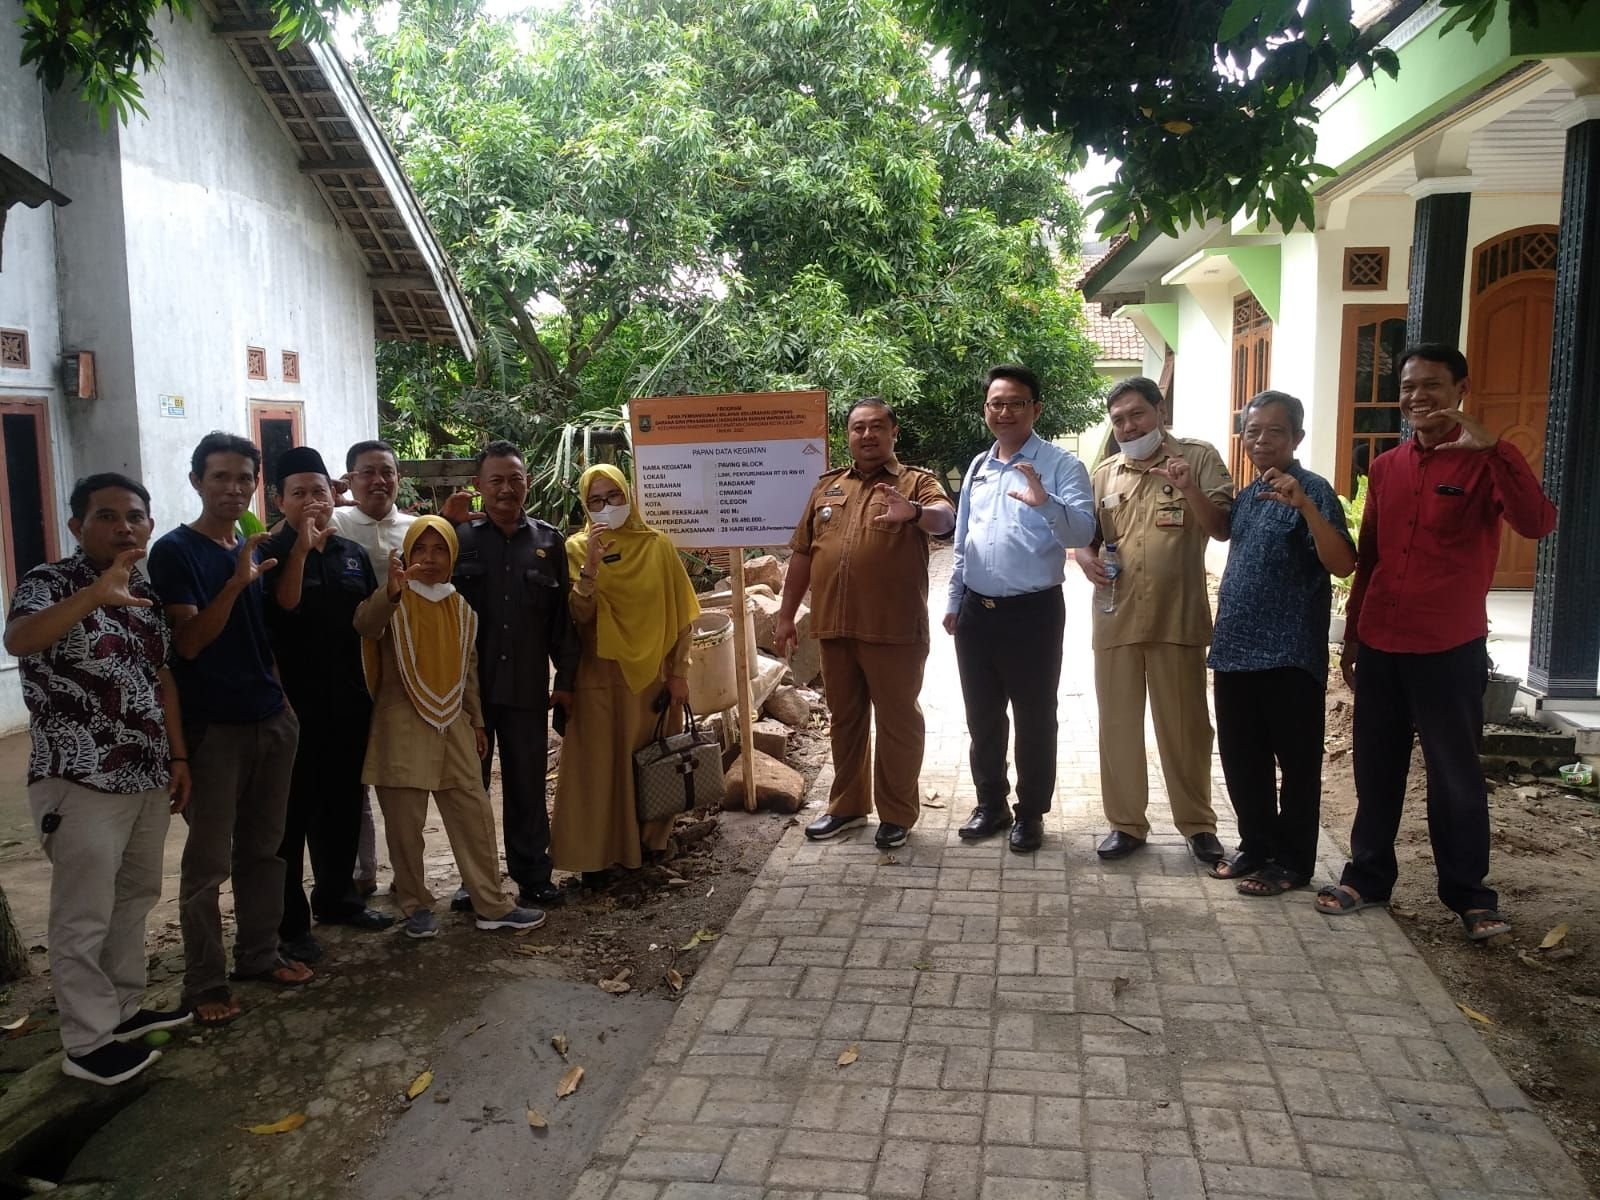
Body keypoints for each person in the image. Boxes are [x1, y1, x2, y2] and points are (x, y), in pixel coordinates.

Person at [1319, 344, 1555, 939]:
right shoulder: (1389, 466)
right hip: (1381, 642)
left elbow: (1537, 522)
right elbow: (1369, 554)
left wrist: (1493, 447)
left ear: (1460, 391)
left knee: (1455, 776)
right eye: (1408, 387)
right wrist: (1353, 637)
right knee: (1376, 771)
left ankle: (1471, 896)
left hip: (1449, 647)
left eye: (1431, 386)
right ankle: (1367, 877)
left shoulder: (1485, 464)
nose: (1417, 397)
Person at [3, 475, 192, 1084]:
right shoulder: (49, 583)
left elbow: (161, 679)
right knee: (82, 915)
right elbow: (19, 639)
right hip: (77, 779)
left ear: (149, 523)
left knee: (133, 898)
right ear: (77, 526)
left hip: (145, 773)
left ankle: (124, 1009)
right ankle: (86, 1043)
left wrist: (179, 758)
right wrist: (94, 594)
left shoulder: (146, 592)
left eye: (135, 515)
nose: (123, 526)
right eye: (106, 516)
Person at [148, 433, 308, 1026]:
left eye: (244, 477)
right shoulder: (174, 552)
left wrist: (282, 702)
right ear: (196, 481)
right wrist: (237, 581)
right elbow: (188, 643)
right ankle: (205, 982)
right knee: (208, 863)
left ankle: (259, 955)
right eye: (220, 476)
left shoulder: (245, 542)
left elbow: (256, 635)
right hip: (215, 729)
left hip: (270, 719)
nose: (233, 487)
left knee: (264, 850)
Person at [354, 517, 545, 939]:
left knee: (474, 816)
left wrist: (476, 721)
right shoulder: (393, 598)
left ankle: (491, 904)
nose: (429, 558)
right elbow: (365, 625)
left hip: (454, 725)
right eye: (419, 549)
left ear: (453, 557)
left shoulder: (461, 608)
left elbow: (469, 670)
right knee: (405, 828)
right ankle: (414, 905)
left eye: (439, 549)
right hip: (400, 728)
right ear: (406, 555)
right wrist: (390, 590)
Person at [777, 398, 955, 851]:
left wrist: (912, 512)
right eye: (858, 428)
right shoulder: (827, 487)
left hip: (893, 630)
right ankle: (847, 807)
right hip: (835, 628)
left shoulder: (917, 482)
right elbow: (802, 553)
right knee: (845, 719)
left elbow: (945, 520)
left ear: (894, 432)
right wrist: (784, 615)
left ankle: (896, 814)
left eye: (877, 426)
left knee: (898, 722)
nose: (868, 435)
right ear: (848, 435)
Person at [1077, 378, 1232, 863]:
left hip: (1177, 617)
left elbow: (1222, 528)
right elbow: (1085, 535)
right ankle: (1125, 824)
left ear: (1159, 409)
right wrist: (1082, 558)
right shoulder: (1104, 474)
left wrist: (1188, 488)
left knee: (1186, 727)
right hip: (1116, 615)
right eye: (1119, 419)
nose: (1128, 425)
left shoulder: (1199, 457)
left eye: (1137, 414)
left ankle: (1198, 825)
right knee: (1118, 726)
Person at [1208, 393, 1356, 895]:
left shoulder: (1311, 490)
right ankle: (1256, 846)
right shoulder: (1249, 494)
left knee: (1296, 764)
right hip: (1234, 649)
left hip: (1289, 654)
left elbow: (1342, 563)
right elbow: (1222, 534)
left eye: (1274, 431)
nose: (1262, 440)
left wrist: (1307, 508)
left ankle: (1292, 863)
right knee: (1241, 757)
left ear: (1296, 437)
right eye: (1253, 432)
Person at [944, 365, 1096, 853]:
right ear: (986, 409)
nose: (1004, 412)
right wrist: (953, 599)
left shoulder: (1060, 466)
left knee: (1034, 716)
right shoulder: (978, 467)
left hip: (1033, 613)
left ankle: (1031, 813)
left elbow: (1081, 535)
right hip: (976, 612)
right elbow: (963, 539)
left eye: (1015, 403)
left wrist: (1045, 502)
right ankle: (991, 804)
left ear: (1036, 409)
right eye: (996, 404)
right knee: (982, 716)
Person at [261, 447, 394, 965]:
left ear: (333, 493)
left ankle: (337, 899)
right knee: (290, 818)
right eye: (299, 493)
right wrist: (300, 550)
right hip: (291, 709)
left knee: (340, 807)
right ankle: (290, 925)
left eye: (320, 491)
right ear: (279, 499)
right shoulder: (266, 553)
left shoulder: (352, 555)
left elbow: (365, 625)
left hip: (348, 704)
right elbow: (283, 609)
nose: (312, 501)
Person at [441, 442, 578, 910]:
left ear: (527, 483)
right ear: (479, 487)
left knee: (526, 782)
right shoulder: (459, 539)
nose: (506, 488)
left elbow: (563, 620)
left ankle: (533, 875)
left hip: (525, 688)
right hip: (468, 694)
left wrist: (566, 683)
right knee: (469, 789)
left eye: (514, 479)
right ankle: (474, 880)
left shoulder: (548, 542)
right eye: (495, 480)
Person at [550, 465, 700, 878]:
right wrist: (591, 569)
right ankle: (596, 860)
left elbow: (682, 618)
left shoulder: (658, 547)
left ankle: (650, 845)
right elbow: (577, 618)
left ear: (628, 496)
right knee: (598, 771)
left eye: (613, 496)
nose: (607, 507)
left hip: (652, 677)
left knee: (651, 763)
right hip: (598, 677)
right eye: (596, 500)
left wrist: (679, 672)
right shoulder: (575, 548)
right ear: (585, 505)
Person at [330, 439, 414, 898]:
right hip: (348, 664)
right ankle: (362, 872)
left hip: (407, 668)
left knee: (400, 773)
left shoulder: (418, 528)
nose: (378, 481)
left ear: (398, 478)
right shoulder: (334, 523)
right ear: (350, 479)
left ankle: (408, 872)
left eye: (387, 471)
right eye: (367, 472)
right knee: (353, 773)